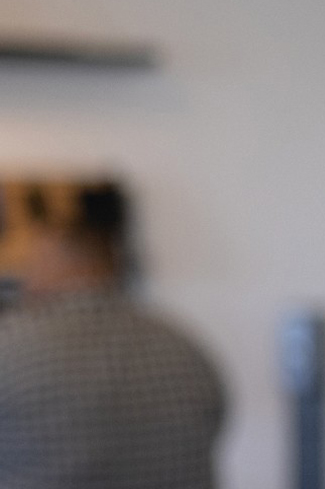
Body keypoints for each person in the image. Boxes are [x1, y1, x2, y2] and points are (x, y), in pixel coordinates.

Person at [0, 180, 227, 489]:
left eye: (33, 264)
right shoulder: (182, 345)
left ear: (57, 264)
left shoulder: (11, 347)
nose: (26, 280)